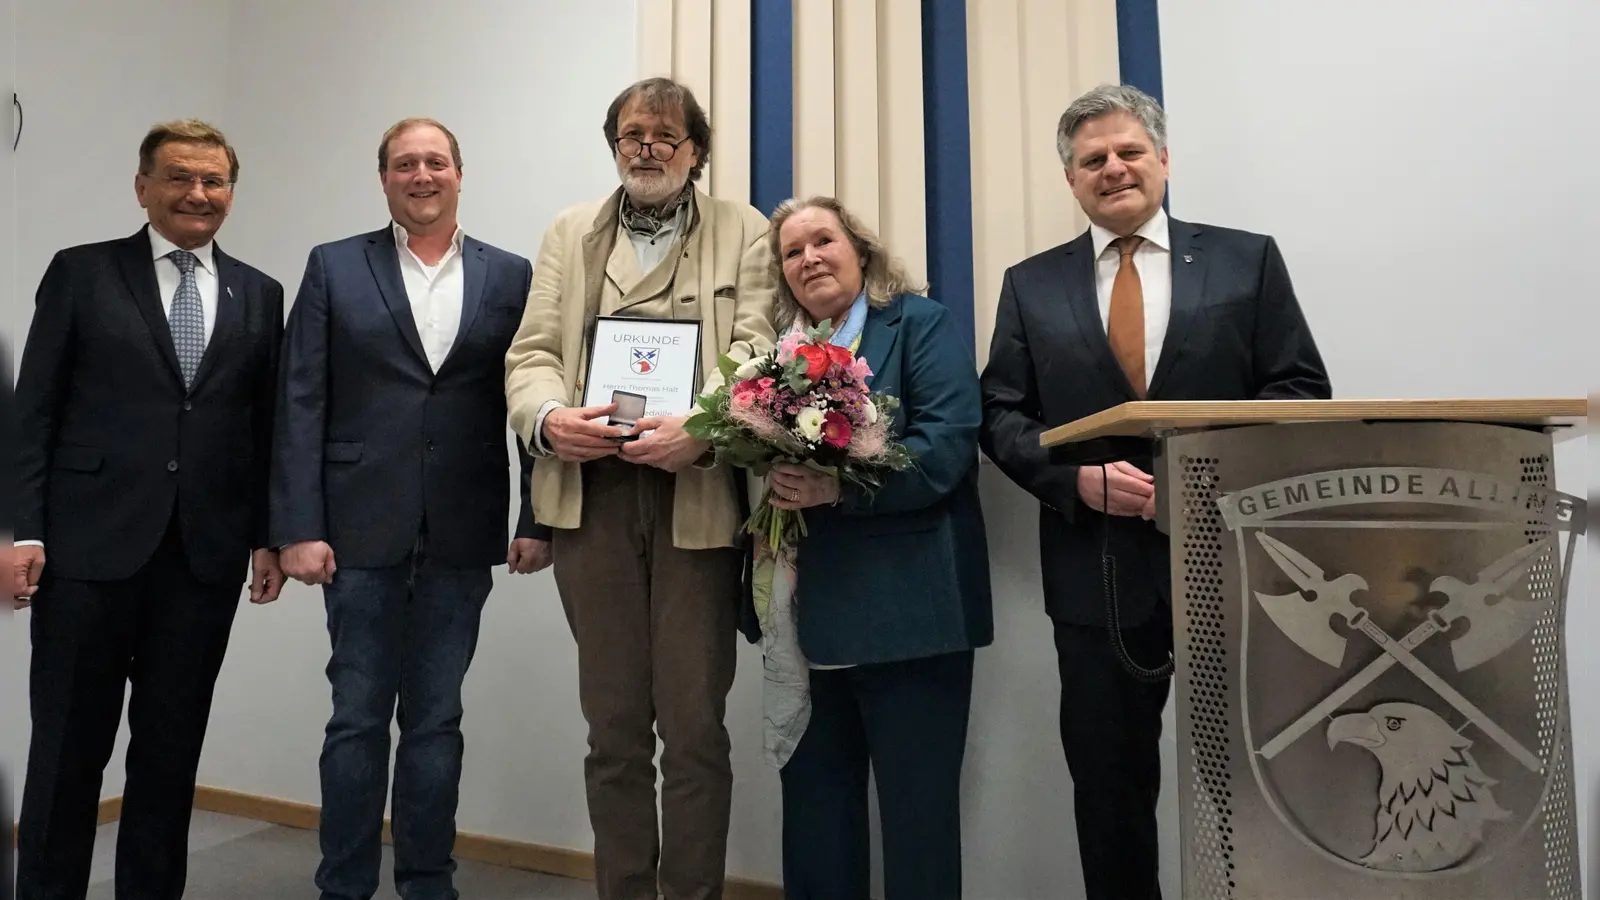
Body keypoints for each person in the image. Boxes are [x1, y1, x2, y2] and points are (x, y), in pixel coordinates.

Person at [978, 83, 1331, 900]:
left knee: (1255, 779)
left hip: (1238, 565)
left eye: (1129, 151)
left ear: (1163, 160)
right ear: (1070, 181)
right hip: (1094, 571)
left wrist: (1210, 472)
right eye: (1091, 159)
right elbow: (1000, 414)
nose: (1113, 168)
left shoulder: (1249, 259)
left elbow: (1301, 389)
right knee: (1109, 789)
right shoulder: (1031, 285)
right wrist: (1074, 481)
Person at [503, 76, 776, 900]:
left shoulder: (746, 231)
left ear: (696, 150)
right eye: (631, 135)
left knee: (694, 730)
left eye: (665, 135)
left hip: (697, 497)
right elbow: (532, 351)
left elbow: (762, 347)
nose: (646, 148)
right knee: (614, 730)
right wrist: (550, 418)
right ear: (613, 144)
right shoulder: (568, 232)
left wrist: (702, 429)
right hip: (591, 500)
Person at [269, 117, 551, 900]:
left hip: (463, 530)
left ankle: (430, 884)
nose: (420, 174)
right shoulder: (334, 267)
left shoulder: (510, 275)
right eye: (403, 164)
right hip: (355, 531)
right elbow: (300, 402)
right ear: (384, 178)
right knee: (356, 720)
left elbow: (531, 396)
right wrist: (296, 528)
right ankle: (345, 887)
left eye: (434, 161)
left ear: (460, 173)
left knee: (436, 724)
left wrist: (534, 517)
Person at [12, 119, 287, 900]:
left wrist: (268, 538)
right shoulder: (82, 273)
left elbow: (266, 430)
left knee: (170, 758)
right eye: (178, 177)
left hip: (202, 560)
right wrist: (20, 528)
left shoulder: (260, 294)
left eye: (213, 180)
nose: (197, 193)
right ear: (143, 187)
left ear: (231, 192)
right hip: (85, 554)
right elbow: (33, 411)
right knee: (68, 753)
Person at [749, 197, 991, 900]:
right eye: (792, 252)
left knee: (919, 823)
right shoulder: (771, 356)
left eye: (823, 240)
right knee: (816, 817)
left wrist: (839, 493)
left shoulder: (920, 324)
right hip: (805, 618)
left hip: (910, 615)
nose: (810, 259)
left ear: (862, 252)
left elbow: (947, 447)